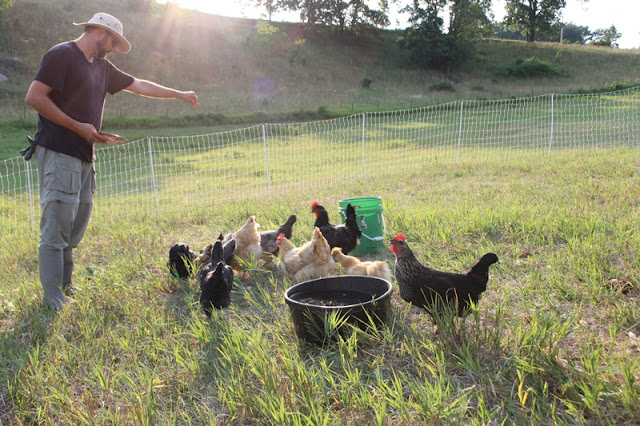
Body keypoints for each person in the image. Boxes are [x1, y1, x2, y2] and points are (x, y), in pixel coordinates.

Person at [24, 12, 199, 310]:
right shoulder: (62, 54)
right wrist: (78, 126)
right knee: (56, 225)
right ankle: (52, 297)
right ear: (99, 33)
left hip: (84, 155)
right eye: (114, 41)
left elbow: (140, 85)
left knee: (75, 223)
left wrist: (179, 94)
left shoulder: (101, 67)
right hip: (58, 151)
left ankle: (66, 287)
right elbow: (35, 97)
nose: (116, 47)